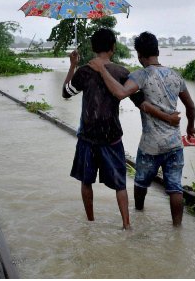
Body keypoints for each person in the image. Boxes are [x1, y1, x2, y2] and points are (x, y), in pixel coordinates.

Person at [63, 28, 180, 230]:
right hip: (112, 137)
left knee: (86, 181)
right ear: (113, 48)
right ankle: (126, 224)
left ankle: (90, 222)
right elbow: (142, 103)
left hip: (87, 137)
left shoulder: (84, 71)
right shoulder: (121, 72)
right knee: (120, 184)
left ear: (93, 47)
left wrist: (72, 66)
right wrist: (167, 117)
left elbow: (66, 93)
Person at [88, 31, 195, 226]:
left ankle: (138, 213)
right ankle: (177, 228)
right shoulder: (175, 75)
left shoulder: (141, 75)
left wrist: (102, 70)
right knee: (175, 188)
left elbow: (121, 93)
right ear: (157, 50)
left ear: (139, 55)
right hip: (174, 144)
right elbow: (190, 106)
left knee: (140, 183)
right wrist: (191, 128)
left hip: (150, 145)